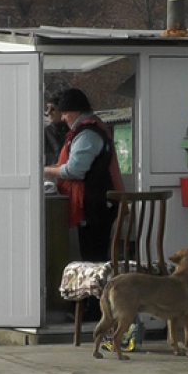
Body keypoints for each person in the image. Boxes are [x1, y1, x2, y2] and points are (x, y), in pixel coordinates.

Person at [44, 88, 124, 262]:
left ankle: (96, 289)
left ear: (76, 110)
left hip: (95, 206)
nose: (63, 118)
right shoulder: (88, 130)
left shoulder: (87, 134)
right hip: (96, 204)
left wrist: (48, 171)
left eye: (65, 113)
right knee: (91, 254)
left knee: (93, 256)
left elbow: (75, 170)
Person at [44, 94, 69, 166]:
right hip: (52, 173)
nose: (48, 113)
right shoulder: (45, 132)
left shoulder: (72, 130)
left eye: (52, 109)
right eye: (47, 108)